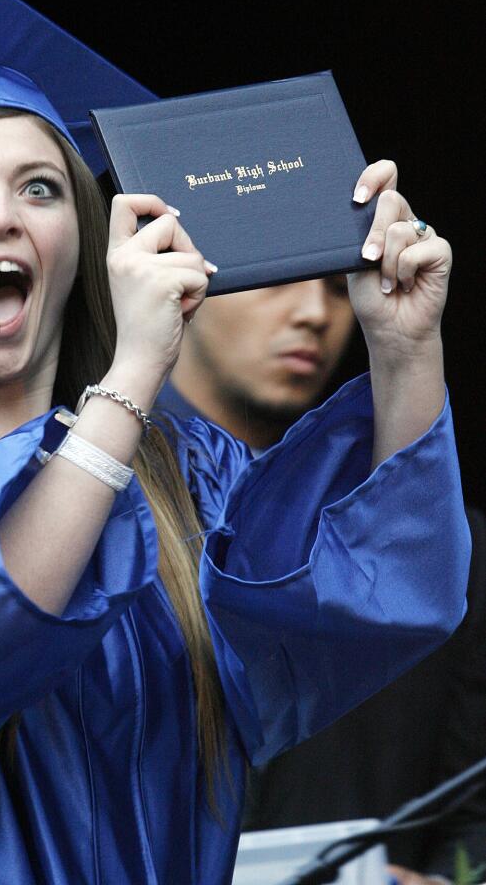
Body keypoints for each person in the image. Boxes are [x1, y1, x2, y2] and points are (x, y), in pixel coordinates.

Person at [0, 0, 470, 884]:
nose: (0, 216)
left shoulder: (184, 476)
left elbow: (369, 595)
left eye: (40, 189)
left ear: (84, 240)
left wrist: (402, 349)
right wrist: (129, 379)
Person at [161, 278, 486, 881]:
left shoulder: (442, 549)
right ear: (184, 280)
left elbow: (472, 812)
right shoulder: (81, 519)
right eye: (276, 277)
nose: (314, 312)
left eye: (341, 289)